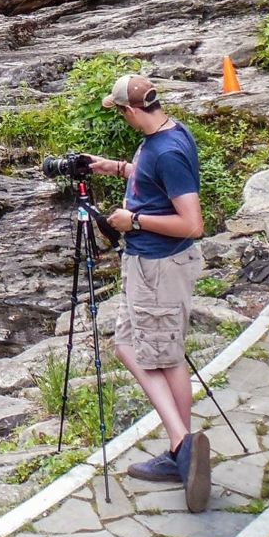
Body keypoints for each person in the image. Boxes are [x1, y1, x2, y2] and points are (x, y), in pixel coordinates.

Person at [85, 73, 210, 512]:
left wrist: (132, 222)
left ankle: (181, 445)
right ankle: (184, 446)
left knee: (161, 355)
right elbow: (151, 177)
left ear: (132, 110)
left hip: (159, 266)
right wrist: (112, 167)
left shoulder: (168, 149)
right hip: (148, 265)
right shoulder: (165, 134)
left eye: (120, 111)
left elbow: (193, 224)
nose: (120, 117)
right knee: (131, 346)